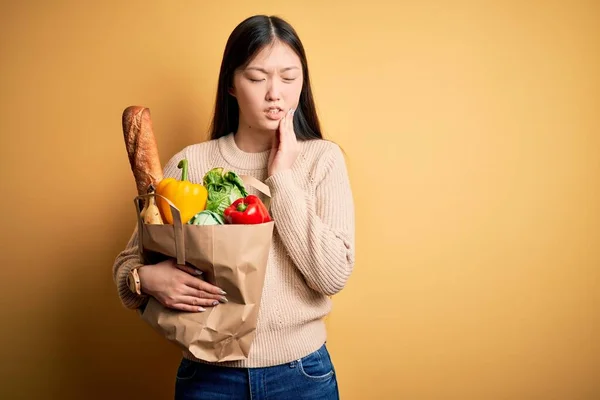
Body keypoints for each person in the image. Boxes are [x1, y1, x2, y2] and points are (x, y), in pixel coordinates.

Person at [113, 14, 355, 400]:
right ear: (231, 83)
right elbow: (126, 265)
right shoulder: (190, 164)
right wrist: (145, 280)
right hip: (208, 379)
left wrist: (281, 176)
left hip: (302, 376)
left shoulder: (322, 160)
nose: (275, 92)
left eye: (289, 78)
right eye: (258, 78)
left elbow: (332, 277)